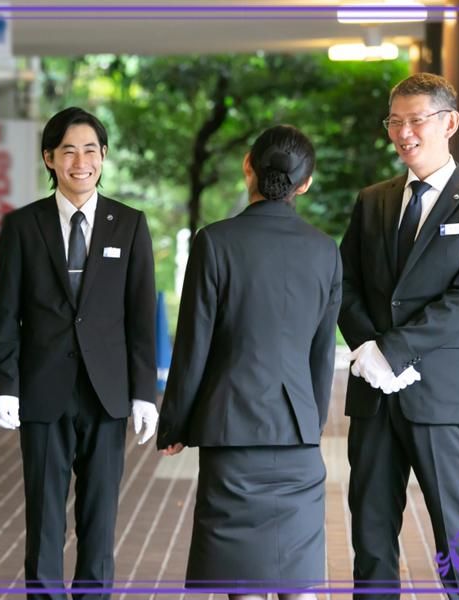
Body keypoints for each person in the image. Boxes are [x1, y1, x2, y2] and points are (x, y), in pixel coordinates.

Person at [339, 72, 459, 599]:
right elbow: (344, 284)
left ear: (449, 123)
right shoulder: (373, 200)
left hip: (443, 398)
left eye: (416, 120)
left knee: (458, 540)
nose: (404, 133)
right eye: (395, 121)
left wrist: (393, 351)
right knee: (370, 540)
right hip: (374, 396)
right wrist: (367, 349)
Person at [157, 125, 342, 600]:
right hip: (296, 434)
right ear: (305, 183)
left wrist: (175, 423)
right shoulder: (325, 250)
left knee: (241, 580)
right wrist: (310, 421)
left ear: (248, 167)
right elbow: (322, 354)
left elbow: (193, 343)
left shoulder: (215, 242)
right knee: (298, 579)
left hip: (231, 428)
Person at [0, 107, 158, 599]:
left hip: (107, 393)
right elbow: (7, 314)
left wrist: (144, 393)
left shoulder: (129, 224)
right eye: (68, 151)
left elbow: (140, 316)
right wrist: (4, 385)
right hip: (43, 391)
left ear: (103, 155)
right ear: (49, 158)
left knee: (99, 519)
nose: (80, 162)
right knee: (44, 517)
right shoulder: (23, 226)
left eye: (90, 150)